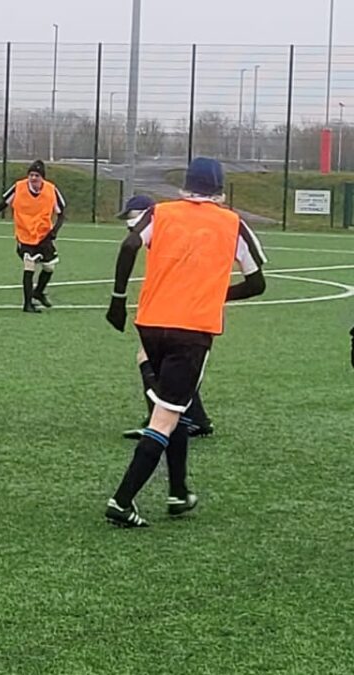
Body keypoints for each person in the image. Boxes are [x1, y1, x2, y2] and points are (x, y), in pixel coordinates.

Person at [102, 158, 267, 528]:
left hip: (150, 324)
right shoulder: (232, 223)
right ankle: (122, 501)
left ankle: (178, 491)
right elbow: (258, 283)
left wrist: (116, 299)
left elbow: (130, 245)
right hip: (191, 332)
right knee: (166, 416)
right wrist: (217, 293)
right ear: (220, 190)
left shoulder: (161, 213)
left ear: (185, 186)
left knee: (174, 407)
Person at [115, 194, 214, 441]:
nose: (129, 224)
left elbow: (131, 247)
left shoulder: (161, 231)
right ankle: (197, 419)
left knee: (151, 359)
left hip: (178, 311)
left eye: (131, 217)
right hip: (189, 308)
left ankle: (158, 421)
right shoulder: (169, 231)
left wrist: (118, 297)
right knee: (181, 366)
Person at [0, 159, 67, 313]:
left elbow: (62, 213)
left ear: (42, 177)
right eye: (30, 174)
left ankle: (38, 292)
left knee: (49, 267)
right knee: (29, 264)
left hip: (43, 235)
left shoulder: (51, 190)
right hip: (24, 234)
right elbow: (3, 203)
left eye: (36, 175)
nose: (33, 178)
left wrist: (54, 231)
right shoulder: (19, 187)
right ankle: (27, 304)